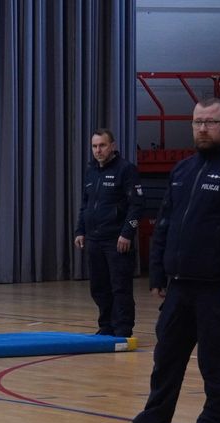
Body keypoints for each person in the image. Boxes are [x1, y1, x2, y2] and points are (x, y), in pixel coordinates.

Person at [109, 98, 220, 423]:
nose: (203, 129)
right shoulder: (182, 170)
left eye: (210, 122)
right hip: (180, 286)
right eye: (197, 122)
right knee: (166, 358)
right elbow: (164, 223)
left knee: (216, 360)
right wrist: (157, 272)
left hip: (219, 288)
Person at [74, 128, 143, 338]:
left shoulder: (126, 170)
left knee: (120, 286)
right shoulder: (91, 172)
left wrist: (127, 233)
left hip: (116, 240)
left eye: (102, 145)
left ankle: (122, 328)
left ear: (112, 146)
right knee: (99, 286)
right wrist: (80, 230)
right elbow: (85, 205)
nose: (98, 150)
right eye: (94, 146)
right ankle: (106, 326)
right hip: (94, 239)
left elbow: (137, 205)